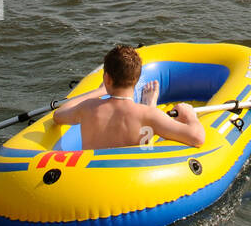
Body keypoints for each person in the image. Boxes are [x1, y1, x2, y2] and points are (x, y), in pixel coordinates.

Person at [52, 44, 205, 150]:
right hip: (128, 182)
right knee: (148, 130)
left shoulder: (87, 108)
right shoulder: (148, 115)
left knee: (148, 126)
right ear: (136, 80)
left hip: (91, 179)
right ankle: (149, 102)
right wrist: (190, 115)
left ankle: (149, 102)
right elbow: (197, 138)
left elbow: (58, 115)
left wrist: (98, 92)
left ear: (107, 79)